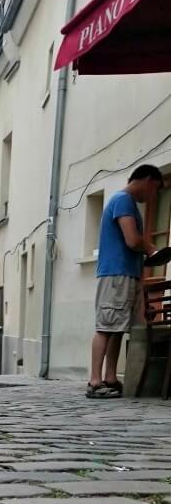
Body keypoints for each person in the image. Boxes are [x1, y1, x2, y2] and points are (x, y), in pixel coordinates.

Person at [88, 164, 163, 399]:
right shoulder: (123, 200)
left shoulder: (126, 203)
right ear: (148, 181)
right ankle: (95, 380)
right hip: (116, 274)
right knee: (106, 325)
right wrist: (150, 248)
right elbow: (131, 240)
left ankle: (110, 377)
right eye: (155, 190)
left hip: (124, 273)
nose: (153, 197)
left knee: (117, 327)